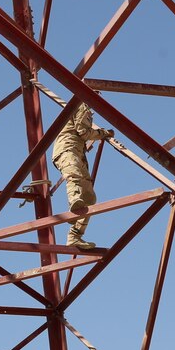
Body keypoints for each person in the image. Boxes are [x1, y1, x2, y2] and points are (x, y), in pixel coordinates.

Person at [52, 102, 113, 250]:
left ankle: (74, 236)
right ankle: (74, 201)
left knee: (90, 198)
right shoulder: (82, 105)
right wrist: (104, 133)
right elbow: (84, 132)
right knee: (74, 175)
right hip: (68, 150)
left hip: (78, 154)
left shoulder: (83, 108)